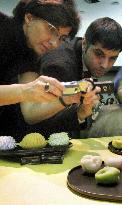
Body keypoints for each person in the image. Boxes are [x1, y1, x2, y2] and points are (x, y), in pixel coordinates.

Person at [22, 17, 122, 137]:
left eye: (113, 58)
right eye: (99, 54)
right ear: (85, 43)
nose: (105, 65)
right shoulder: (60, 67)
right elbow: (44, 125)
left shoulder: (81, 51)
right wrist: (79, 114)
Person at [0, 0, 80, 139]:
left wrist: (66, 99)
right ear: (29, 18)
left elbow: (30, 113)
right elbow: (25, 93)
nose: (54, 43)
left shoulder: (30, 53)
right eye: (51, 29)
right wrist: (25, 91)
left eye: (62, 38)